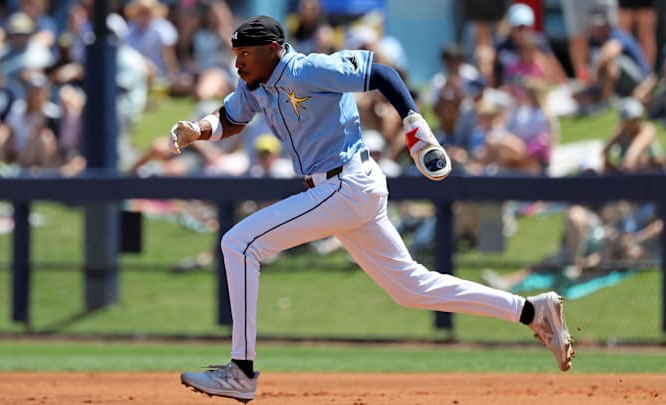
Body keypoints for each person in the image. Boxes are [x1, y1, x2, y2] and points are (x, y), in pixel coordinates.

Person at [170, 15, 574, 402]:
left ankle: (241, 371)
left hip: (346, 183)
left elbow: (382, 74)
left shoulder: (308, 69)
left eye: (246, 53)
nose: (238, 61)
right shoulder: (255, 84)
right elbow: (230, 117)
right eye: (236, 52)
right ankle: (530, 311)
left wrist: (413, 121)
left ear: (273, 49)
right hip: (343, 192)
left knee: (240, 243)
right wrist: (197, 130)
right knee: (412, 288)